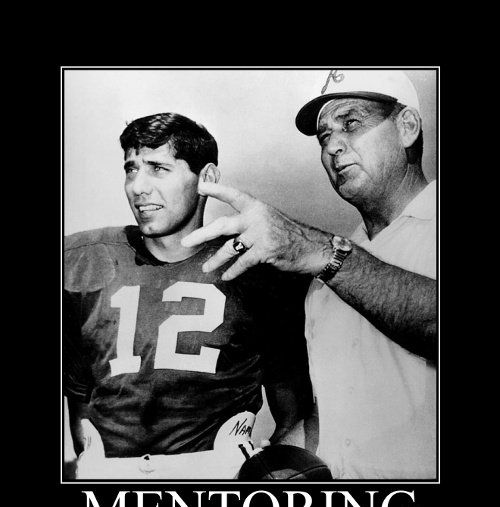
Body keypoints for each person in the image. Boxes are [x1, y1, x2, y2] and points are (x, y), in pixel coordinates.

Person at [182, 70, 437, 480]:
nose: (333, 146)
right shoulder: (323, 283)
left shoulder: (328, 259)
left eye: (351, 123)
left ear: (407, 127)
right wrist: (263, 472)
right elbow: (331, 420)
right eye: (324, 136)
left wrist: (315, 250)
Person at [63, 112, 313, 480]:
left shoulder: (259, 272)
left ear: (206, 178)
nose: (138, 187)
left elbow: (297, 414)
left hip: (218, 478)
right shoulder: (81, 261)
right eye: (131, 169)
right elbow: (80, 406)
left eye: (158, 168)